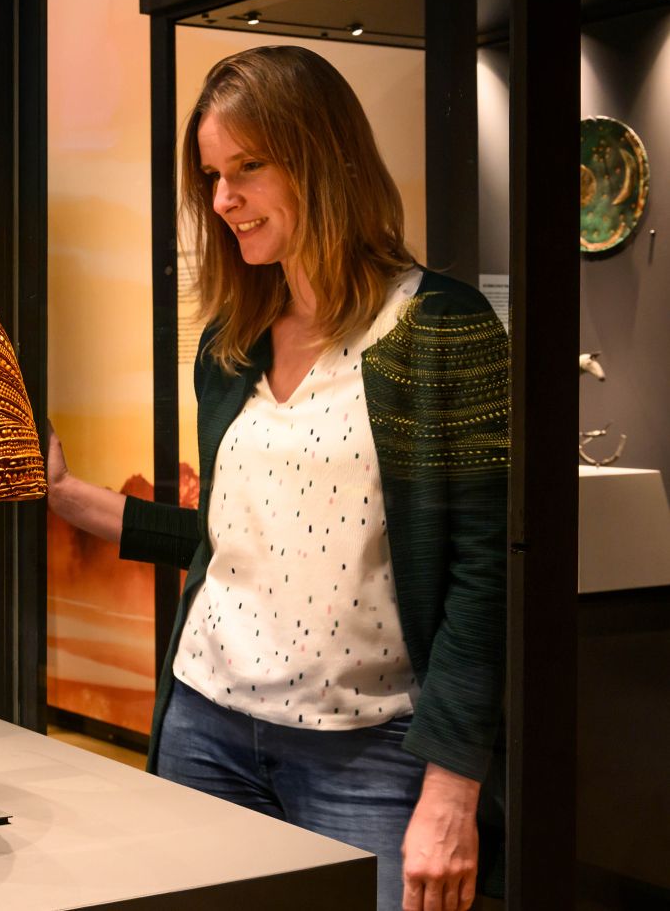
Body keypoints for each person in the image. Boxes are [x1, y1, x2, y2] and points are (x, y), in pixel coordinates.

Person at [47, 45, 507, 911]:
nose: (222, 201)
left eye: (246, 169)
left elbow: (485, 578)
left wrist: (452, 788)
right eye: (213, 177)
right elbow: (237, 542)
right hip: (203, 728)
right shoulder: (230, 343)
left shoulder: (443, 325)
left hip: (371, 755)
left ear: (324, 158)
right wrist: (67, 496)